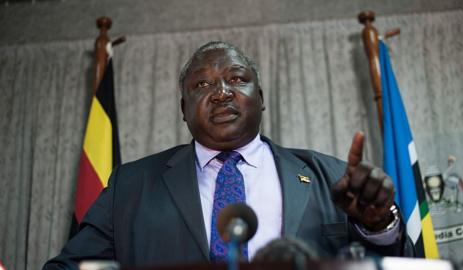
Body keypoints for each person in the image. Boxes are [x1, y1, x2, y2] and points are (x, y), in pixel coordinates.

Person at [44, 41, 413, 269]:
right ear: (183, 108)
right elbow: (70, 268)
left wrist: (378, 225)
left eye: (237, 78)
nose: (221, 92)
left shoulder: (329, 176)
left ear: (261, 98)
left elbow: (399, 265)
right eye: (202, 84)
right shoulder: (130, 186)